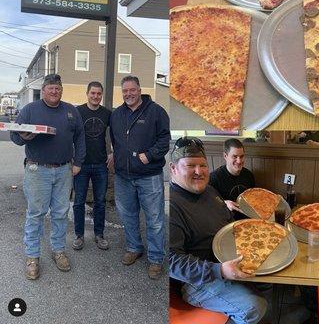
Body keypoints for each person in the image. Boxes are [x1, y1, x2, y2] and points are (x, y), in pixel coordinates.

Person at [169, 137, 268, 324]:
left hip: (226, 260)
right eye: (190, 166)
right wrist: (219, 270)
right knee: (255, 307)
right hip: (198, 281)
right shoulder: (171, 204)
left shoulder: (209, 191)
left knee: (268, 279)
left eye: (203, 165)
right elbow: (171, 260)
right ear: (173, 169)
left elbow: (228, 222)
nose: (199, 172)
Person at [10, 74, 85, 279]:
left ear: (62, 90)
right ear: (43, 90)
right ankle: (32, 257)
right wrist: (23, 137)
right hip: (37, 170)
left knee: (61, 213)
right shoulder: (30, 110)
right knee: (36, 214)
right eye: (51, 88)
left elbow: (80, 137)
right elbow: (14, 135)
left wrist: (78, 162)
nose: (54, 91)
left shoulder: (71, 111)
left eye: (58, 88)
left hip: (63, 170)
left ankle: (58, 251)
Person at [110, 75, 170, 280]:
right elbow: (115, 142)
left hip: (149, 176)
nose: (128, 94)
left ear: (139, 89)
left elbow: (165, 140)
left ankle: (155, 259)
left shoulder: (156, 112)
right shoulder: (116, 115)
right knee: (128, 216)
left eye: (132, 90)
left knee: (155, 220)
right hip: (123, 177)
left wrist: (151, 155)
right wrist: (115, 158)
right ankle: (134, 247)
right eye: (125, 91)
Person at [72, 81, 112, 251]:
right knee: (79, 202)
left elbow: (116, 134)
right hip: (81, 165)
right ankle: (79, 236)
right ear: (87, 93)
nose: (96, 96)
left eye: (98, 94)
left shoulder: (107, 114)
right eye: (93, 93)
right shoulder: (77, 112)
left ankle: (99, 235)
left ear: (101, 95)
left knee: (100, 202)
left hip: (101, 164)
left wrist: (113, 152)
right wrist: (72, 160)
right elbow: (70, 136)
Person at [209, 138, 255, 216]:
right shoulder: (214, 177)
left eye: (241, 156)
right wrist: (224, 203)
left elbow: (253, 199)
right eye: (235, 156)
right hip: (224, 219)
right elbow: (209, 202)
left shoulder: (249, 175)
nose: (239, 161)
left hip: (247, 218)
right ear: (225, 156)